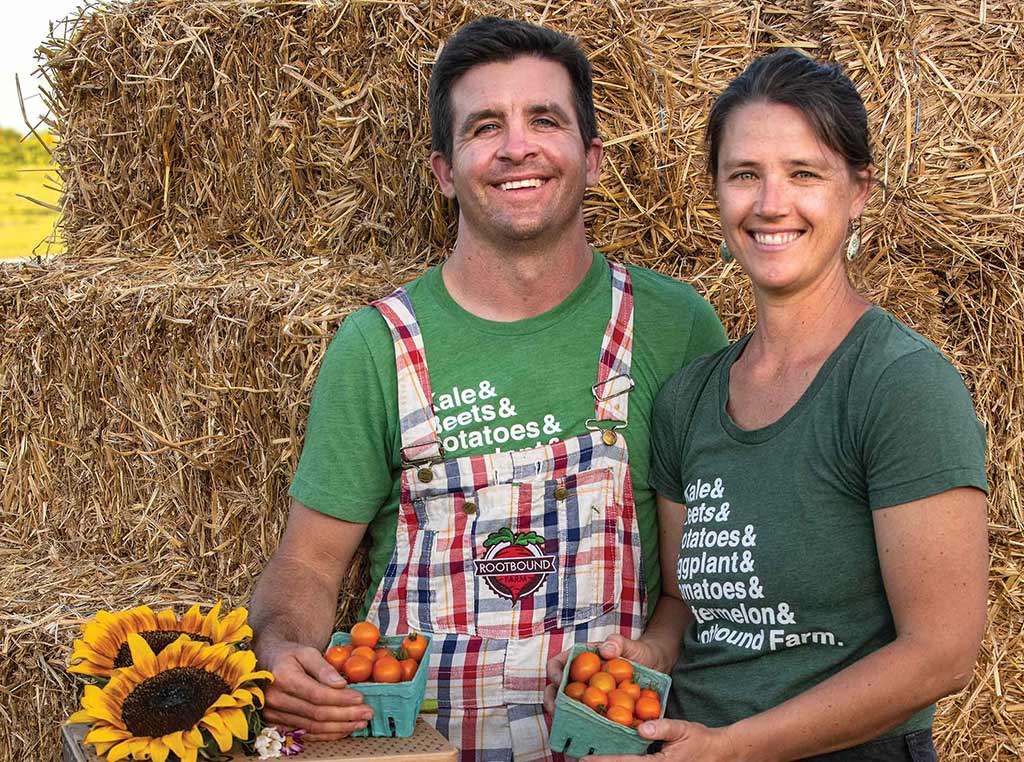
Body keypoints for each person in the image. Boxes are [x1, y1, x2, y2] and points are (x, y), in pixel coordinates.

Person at [248, 16, 727, 762]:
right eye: (485, 126)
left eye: (544, 119)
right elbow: (308, 564)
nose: (516, 147)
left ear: (592, 158)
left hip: (614, 742)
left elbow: (713, 560)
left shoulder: (677, 328)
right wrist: (281, 649)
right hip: (420, 749)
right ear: (444, 170)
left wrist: (666, 648)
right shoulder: (378, 347)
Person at [544, 49, 988, 762]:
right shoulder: (689, 399)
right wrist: (642, 654)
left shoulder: (899, 386)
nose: (771, 203)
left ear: (859, 191)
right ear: (717, 193)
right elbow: (686, 607)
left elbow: (941, 655)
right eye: (744, 174)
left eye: (804, 173)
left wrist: (737, 747)